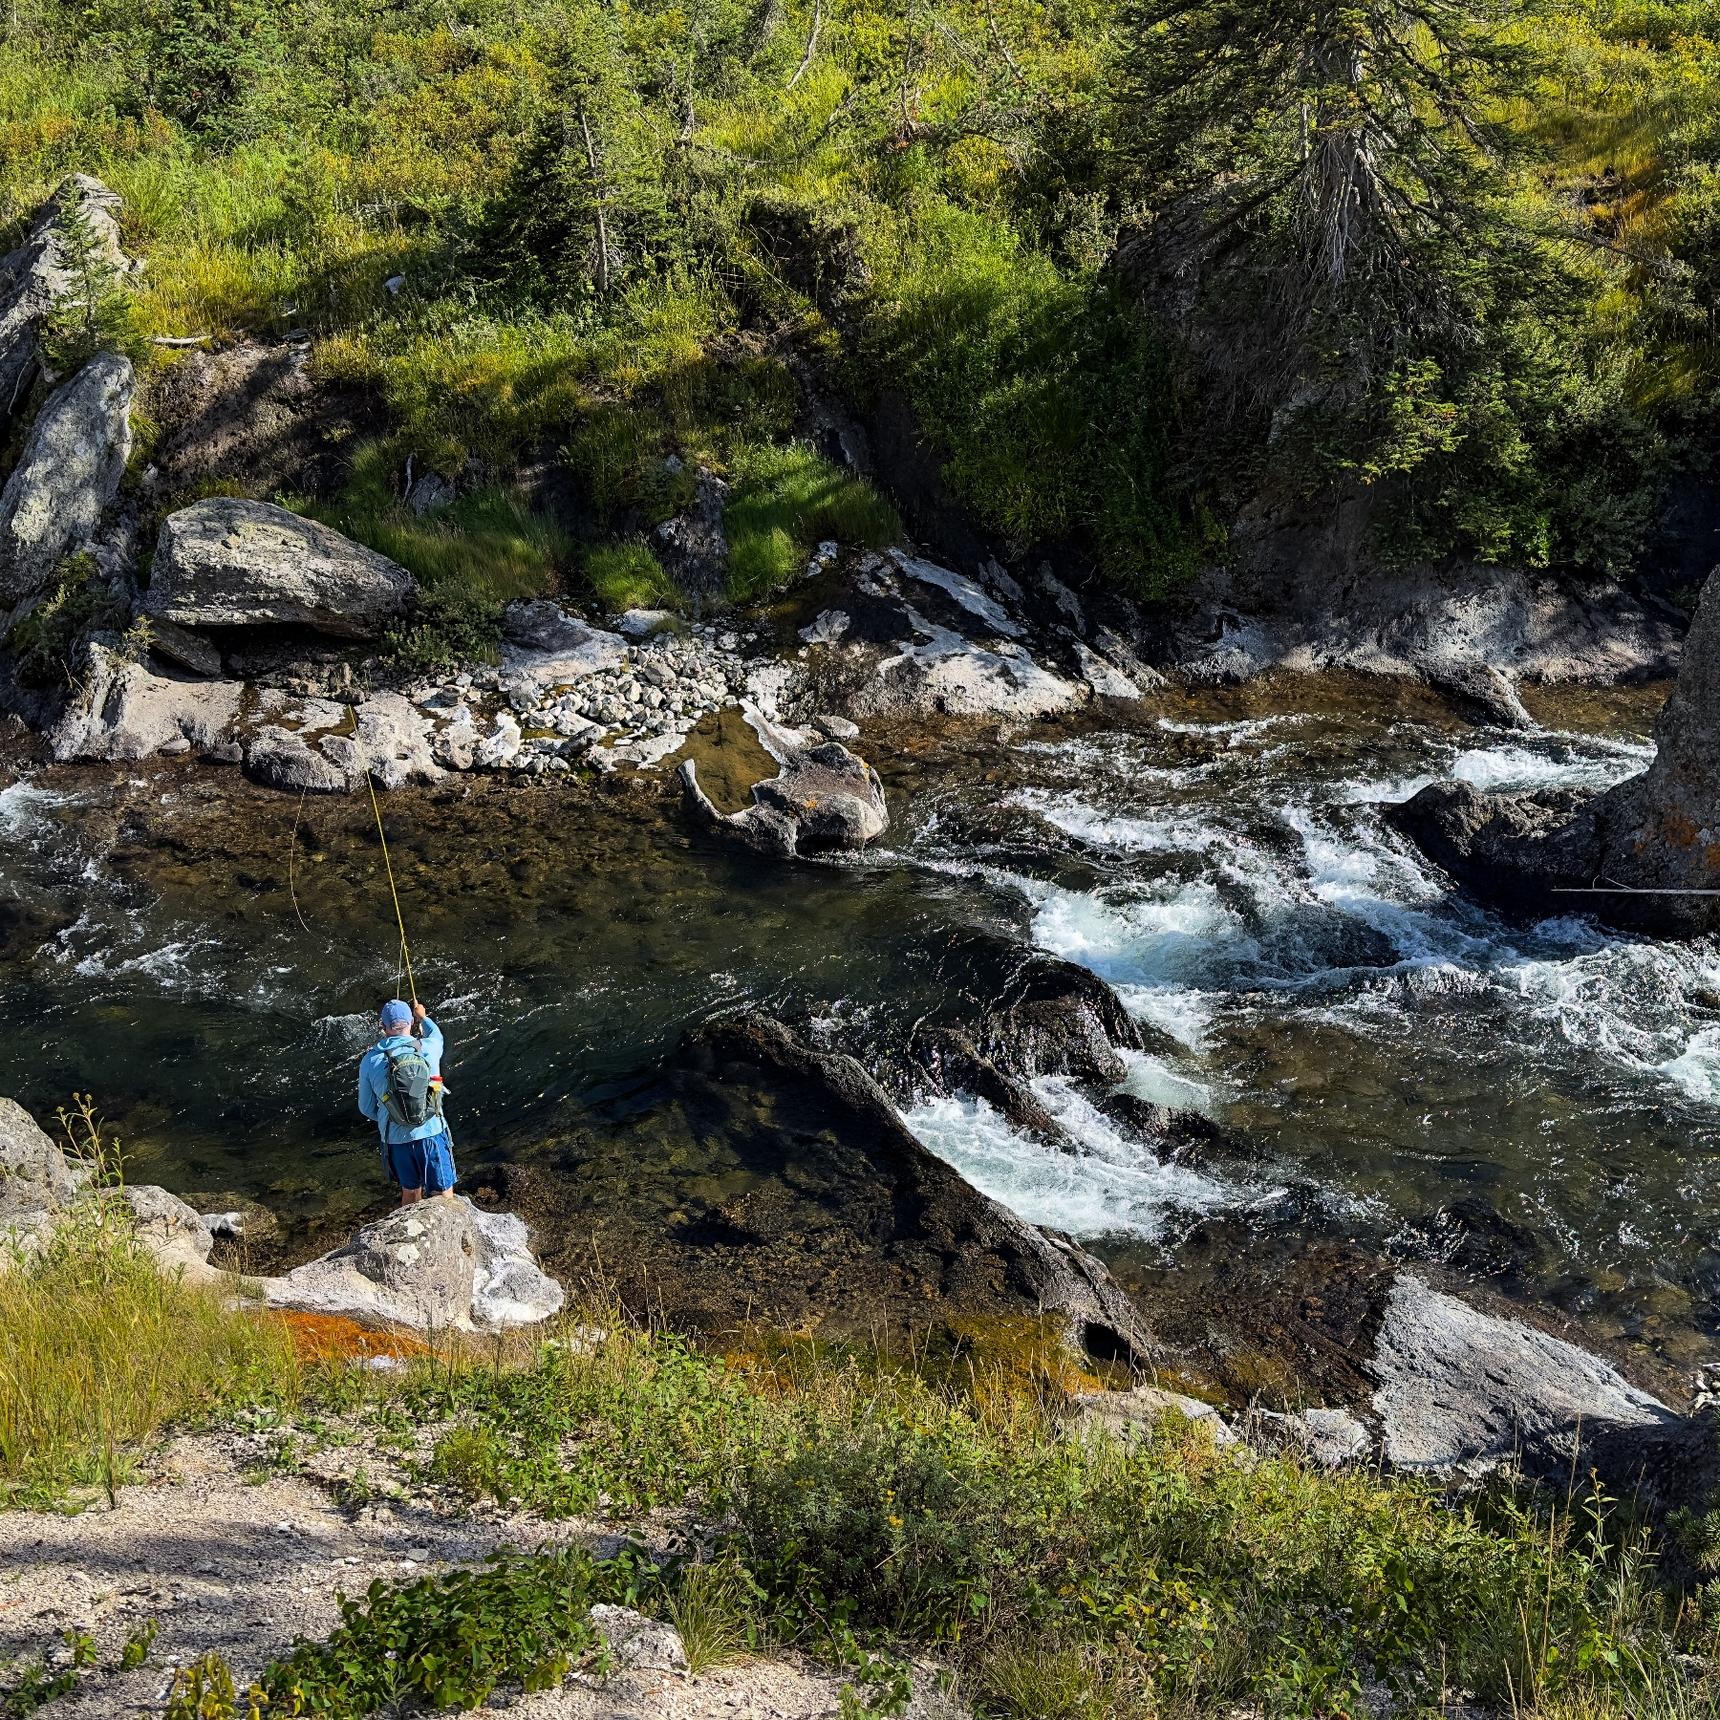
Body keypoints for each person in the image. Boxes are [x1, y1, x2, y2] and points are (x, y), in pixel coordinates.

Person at [358, 998, 456, 1206]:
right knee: (443, 1195)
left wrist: (392, 1115)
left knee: (410, 1193)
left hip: (395, 1140)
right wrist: (424, 1017)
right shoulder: (429, 1047)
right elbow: (436, 1034)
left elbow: (365, 1108)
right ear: (411, 1022)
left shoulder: (370, 1060)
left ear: (382, 1027)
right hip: (431, 1133)